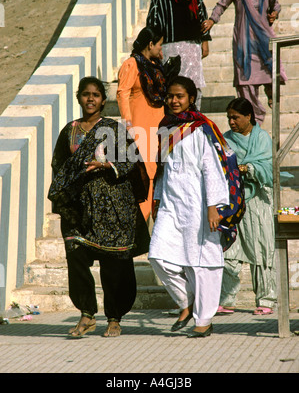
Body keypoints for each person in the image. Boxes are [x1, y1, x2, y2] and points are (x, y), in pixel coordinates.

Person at [48, 76, 150, 338]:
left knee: (114, 262)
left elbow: (131, 160)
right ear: (78, 98)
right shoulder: (69, 131)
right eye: (85, 94)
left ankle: (114, 317)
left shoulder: (113, 129)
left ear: (103, 101)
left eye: (95, 94)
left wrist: (107, 165)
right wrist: (64, 198)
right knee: (77, 257)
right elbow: (59, 166)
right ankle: (87, 314)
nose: (90, 99)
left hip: (114, 207)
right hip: (79, 208)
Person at [148, 76, 245, 337]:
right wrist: (157, 200)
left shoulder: (203, 128)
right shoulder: (165, 127)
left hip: (200, 204)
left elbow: (213, 169)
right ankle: (186, 302)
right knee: (157, 256)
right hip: (171, 202)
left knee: (203, 263)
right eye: (170, 96)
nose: (173, 100)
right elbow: (163, 169)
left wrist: (214, 206)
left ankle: (204, 320)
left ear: (191, 98)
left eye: (179, 96)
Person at [202, 0, 287, 125]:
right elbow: (222, 4)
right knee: (246, 81)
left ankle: (271, 95)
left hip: (263, 40)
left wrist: (274, 14)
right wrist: (212, 19)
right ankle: (255, 116)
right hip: (244, 43)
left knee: (270, 70)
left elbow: (275, 4)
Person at [218, 97, 276, 315]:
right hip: (233, 201)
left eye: (236, 117)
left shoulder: (262, 138)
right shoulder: (224, 140)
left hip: (257, 201)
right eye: (229, 118)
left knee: (260, 250)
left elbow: (269, 167)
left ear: (249, 116)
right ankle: (227, 299)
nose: (232, 122)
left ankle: (266, 300)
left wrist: (249, 168)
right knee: (229, 251)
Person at [146, 0, 211, 110]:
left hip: (192, 46)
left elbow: (201, 15)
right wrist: (157, 46)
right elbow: (154, 21)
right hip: (170, 47)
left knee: (193, 85)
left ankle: (193, 119)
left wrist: (204, 41)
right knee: (172, 85)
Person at [117, 27, 167, 222]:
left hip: (157, 127)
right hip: (139, 127)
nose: (161, 48)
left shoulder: (154, 66)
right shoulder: (132, 64)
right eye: (160, 44)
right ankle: (138, 222)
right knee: (143, 173)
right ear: (150, 44)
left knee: (155, 172)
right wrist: (128, 124)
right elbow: (122, 93)